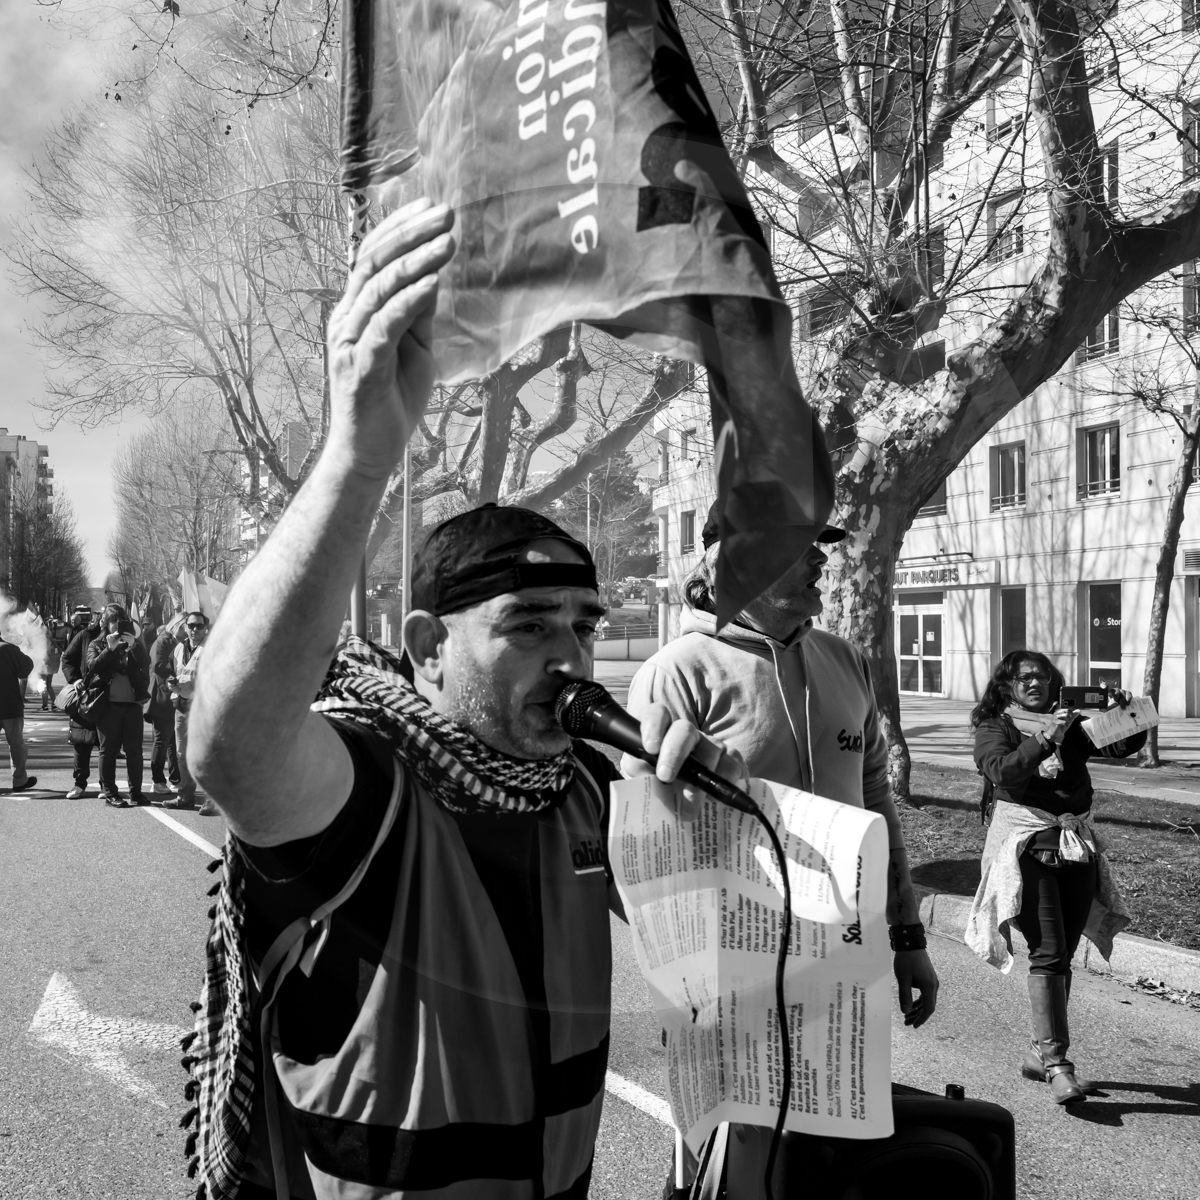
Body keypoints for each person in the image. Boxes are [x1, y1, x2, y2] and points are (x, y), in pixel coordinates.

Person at [184, 199, 734, 1200]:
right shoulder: (368, 790)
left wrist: (704, 809)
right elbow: (233, 747)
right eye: (529, 625)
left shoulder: (583, 793)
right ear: (430, 647)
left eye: (584, 624)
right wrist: (358, 454)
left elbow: (727, 943)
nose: (570, 654)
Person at [626, 502, 940, 1193]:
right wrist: (685, 986)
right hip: (728, 969)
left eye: (819, 544)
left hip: (844, 958)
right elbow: (647, 845)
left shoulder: (844, 659)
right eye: (797, 546)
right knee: (722, 1164)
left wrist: (907, 934)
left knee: (829, 1157)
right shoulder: (678, 671)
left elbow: (876, 802)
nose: (820, 558)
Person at [966, 650, 1139, 1105]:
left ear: (1054, 682)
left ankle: (1037, 1053)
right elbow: (1001, 770)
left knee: (1064, 952)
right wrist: (1046, 738)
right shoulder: (996, 726)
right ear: (1007, 685)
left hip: (1075, 845)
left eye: (1042, 676)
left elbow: (1119, 746)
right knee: (1048, 950)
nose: (1034, 683)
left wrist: (1128, 714)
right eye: (1024, 677)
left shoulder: (1073, 724)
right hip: (1025, 848)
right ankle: (1058, 1063)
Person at [86, 609, 151, 808]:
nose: (117, 624)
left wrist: (134, 647)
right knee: (108, 750)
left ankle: (136, 792)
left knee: (135, 751)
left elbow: (146, 663)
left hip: (133, 704)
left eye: (122, 621)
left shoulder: (134, 644)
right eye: (113, 621)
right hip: (108, 705)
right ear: (106, 624)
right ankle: (110, 793)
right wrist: (110, 649)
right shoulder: (97, 644)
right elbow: (93, 667)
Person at [162, 611, 215, 814]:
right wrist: (170, 682)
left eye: (199, 626)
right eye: (191, 625)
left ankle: (211, 800)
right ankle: (185, 796)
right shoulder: (178, 648)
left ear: (205, 628)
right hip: (182, 708)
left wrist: (192, 686)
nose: (194, 629)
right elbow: (169, 671)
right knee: (182, 755)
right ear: (185, 627)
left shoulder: (211, 648)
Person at [61, 607, 101, 798]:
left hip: (109, 699)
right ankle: (79, 783)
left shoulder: (123, 638)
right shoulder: (85, 635)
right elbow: (67, 658)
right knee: (82, 742)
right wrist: (75, 679)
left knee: (106, 746)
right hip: (85, 696)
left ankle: (106, 785)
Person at [146, 622, 182, 797]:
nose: (190, 630)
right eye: (187, 626)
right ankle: (158, 780)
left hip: (174, 697)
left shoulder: (178, 643)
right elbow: (158, 665)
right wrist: (177, 675)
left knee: (173, 740)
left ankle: (175, 779)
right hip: (161, 698)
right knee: (162, 740)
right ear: (177, 626)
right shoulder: (162, 641)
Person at [0, 626, 36, 791]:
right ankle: (19, 780)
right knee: (16, 745)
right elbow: (25, 668)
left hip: (9, 705)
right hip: (9, 704)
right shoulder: (9, 649)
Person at [40, 620, 65, 711]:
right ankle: (54, 704)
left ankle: (45, 705)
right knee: (49, 686)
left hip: (44, 665)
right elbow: (60, 651)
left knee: (44, 686)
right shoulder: (52, 640)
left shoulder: (42, 641)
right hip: (51, 666)